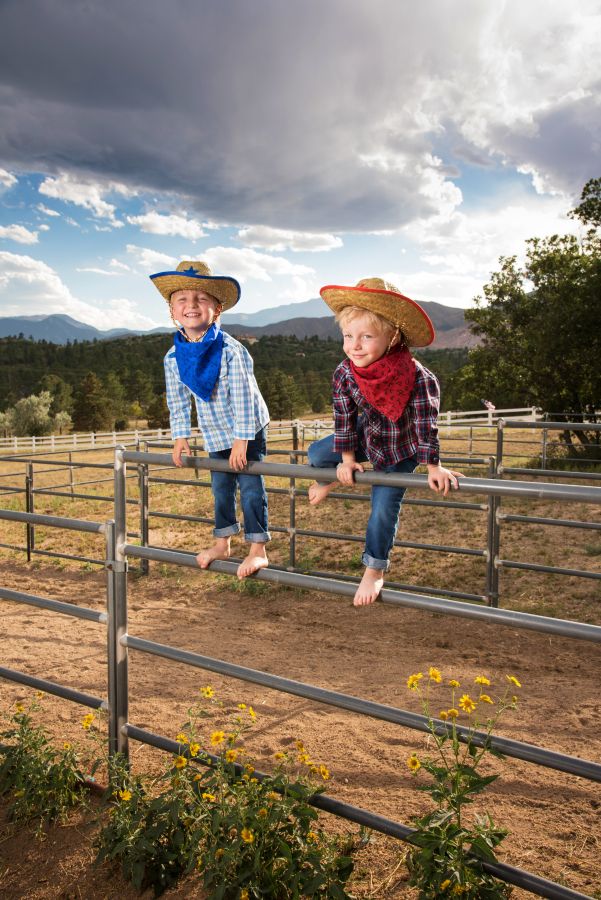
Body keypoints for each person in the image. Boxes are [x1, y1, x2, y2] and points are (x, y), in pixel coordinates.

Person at [307, 277, 462, 607]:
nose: (355, 345)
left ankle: (374, 569)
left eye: (366, 336)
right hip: (366, 437)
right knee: (317, 453)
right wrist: (347, 461)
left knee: (381, 509)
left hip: (400, 449)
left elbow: (426, 425)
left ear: (392, 336)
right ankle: (331, 479)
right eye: (348, 336)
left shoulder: (419, 377)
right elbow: (344, 420)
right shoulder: (345, 373)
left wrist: (432, 465)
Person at [150, 260, 270, 578]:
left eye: (201, 299)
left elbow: (244, 398)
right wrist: (180, 437)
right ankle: (222, 543)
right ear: (172, 311)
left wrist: (242, 441)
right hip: (215, 431)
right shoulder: (174, 356)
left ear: (216, 309)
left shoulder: (231, 351)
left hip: (246, 429)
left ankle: (258, 549)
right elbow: (177, 401)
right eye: (182, 300)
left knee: (250, 486)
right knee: (220, 488)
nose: (191, 306)